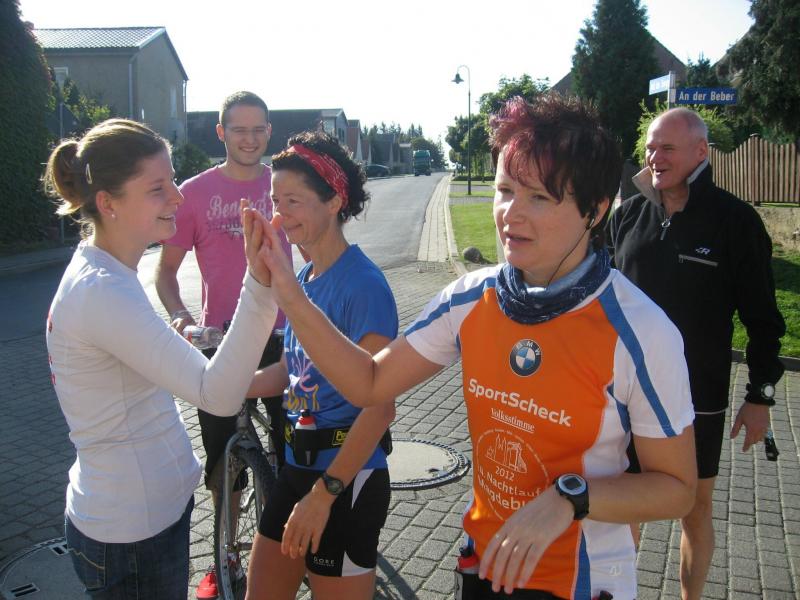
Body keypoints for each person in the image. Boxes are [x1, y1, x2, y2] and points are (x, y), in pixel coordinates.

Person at [252, 95, 698, 600]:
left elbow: (677, 489)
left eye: (539, 197)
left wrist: (569, 498)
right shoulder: (471, 299)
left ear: (595, 210)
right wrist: (288, 289)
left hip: (580, 582)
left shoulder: (641, 330)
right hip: (483, 565)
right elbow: (369, 383)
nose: (510, 214)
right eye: (504, 189)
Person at [44, 118, 277, 599]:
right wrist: (261, 283)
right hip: (132, 534)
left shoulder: (105, 273)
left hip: (140, 521)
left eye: (173, 180)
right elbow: (217, 394)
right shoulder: (102, 291)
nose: (177, 197)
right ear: (108, 203)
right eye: (157, 188)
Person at [607, 107, 785, 600]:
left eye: (667, 147)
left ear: (701, 151)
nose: (654, 157)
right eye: (650, 147)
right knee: (622, 505)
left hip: (696, 397)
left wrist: (760, 396)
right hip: (623, 392)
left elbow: (763, 320)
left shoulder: (735, 221)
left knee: (695, 509)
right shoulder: (628, 216)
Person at [243, 130, 398, 600]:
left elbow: (379, 406)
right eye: (275, 201)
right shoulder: (304, 278)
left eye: (293, 201)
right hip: (296, 466)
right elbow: (292, 371)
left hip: (345, 477)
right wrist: (225, 384)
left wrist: (325, 493)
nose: (279, 214)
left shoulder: (364, 285)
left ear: (334, 201)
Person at [155, 90, 291, 599]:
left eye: (258, 129)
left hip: (283, 339)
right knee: (222, 465)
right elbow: (165, 273)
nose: (250, 139)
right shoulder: (193, 193)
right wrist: (180, 316)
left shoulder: (285, 186)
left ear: (269, 132)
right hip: (220, 343)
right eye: (239, 129)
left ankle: (289, 542)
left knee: (294, 448)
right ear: (221, 133)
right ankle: (226, 553)